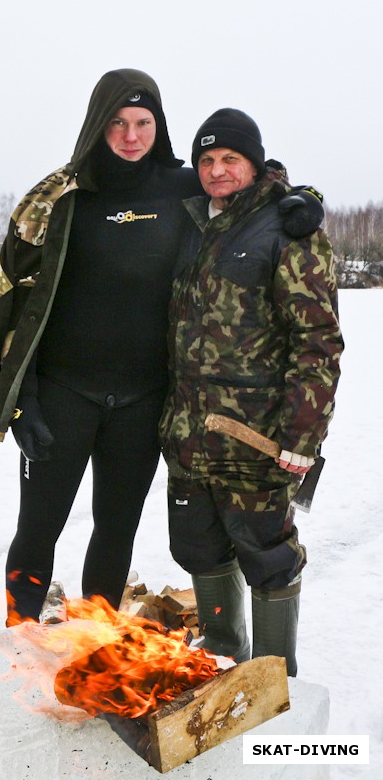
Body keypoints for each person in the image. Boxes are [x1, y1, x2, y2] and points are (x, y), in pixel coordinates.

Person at [0, 70, 325, 626]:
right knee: (39, 526)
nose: (131, 136)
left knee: (116, 526)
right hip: (64, 392)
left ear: (158, 127)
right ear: (96, 126)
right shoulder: (61, 198)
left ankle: (97, 641)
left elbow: (248, 182)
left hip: (143, 400)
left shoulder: (181, 186)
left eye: (142, 123)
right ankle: (20, 631)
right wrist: (24, 398)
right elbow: (17, 303)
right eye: (117, 123)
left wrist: (302, 199)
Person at [159, 108, 343, 675]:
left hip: (256, 436)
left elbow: (317, 342)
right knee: (197, 548)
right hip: (190, 434)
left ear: (253, 163)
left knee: (268, 557)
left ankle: (271, 675)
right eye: (207, 160)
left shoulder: (288, 227)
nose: (217, 170)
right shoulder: (190, 224)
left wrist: (302, 435)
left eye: (230, 159)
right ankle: (220, 656)